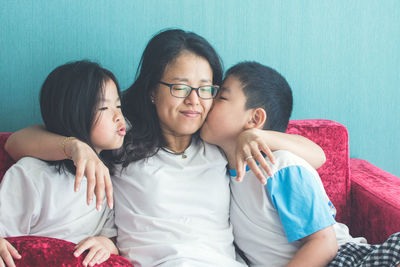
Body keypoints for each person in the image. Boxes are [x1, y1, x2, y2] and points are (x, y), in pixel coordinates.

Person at [4, 29, 326, 266]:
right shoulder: (123, 137)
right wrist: (75, 147)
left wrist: (256, 137)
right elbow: (17, 143)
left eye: (205, 89)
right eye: (180, 87)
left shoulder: (216, 141)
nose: (194, 101)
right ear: (152, 92)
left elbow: (316, 156)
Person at [200, 61, 400, 267]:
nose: (207, 102)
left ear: (255, 118)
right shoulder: (218, 169)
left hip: (344, 260)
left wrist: (258, 137)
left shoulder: (280, 167)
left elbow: (324, 244)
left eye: (221, 97)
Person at [0, 60, 126, 267]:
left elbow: (111, 236)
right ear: (73, 113)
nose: (118, 116)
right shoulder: (32, 174)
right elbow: (6, 237)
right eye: (104, 107)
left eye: (119, 105)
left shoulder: (113, 175)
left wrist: (106, 244)